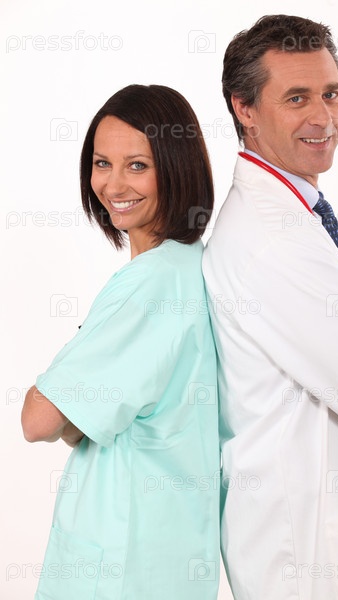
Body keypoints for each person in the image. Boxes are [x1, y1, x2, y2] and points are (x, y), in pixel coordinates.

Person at [202, 14, 338, 600]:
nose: (324, 118)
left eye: (331, 93)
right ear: (244, 108)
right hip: (313, 559)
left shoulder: (299, 214)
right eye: (297, 98)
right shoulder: (272, 240)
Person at [22, 84, 220, 600]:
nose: (113, 184)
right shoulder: (193, 267)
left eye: (137, 165)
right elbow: (80, 416)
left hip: (119, 563)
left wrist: (58, 395)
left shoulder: (149, 285)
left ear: (176, 168)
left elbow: (39, 419)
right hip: (170, 556)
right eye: (101, 163)